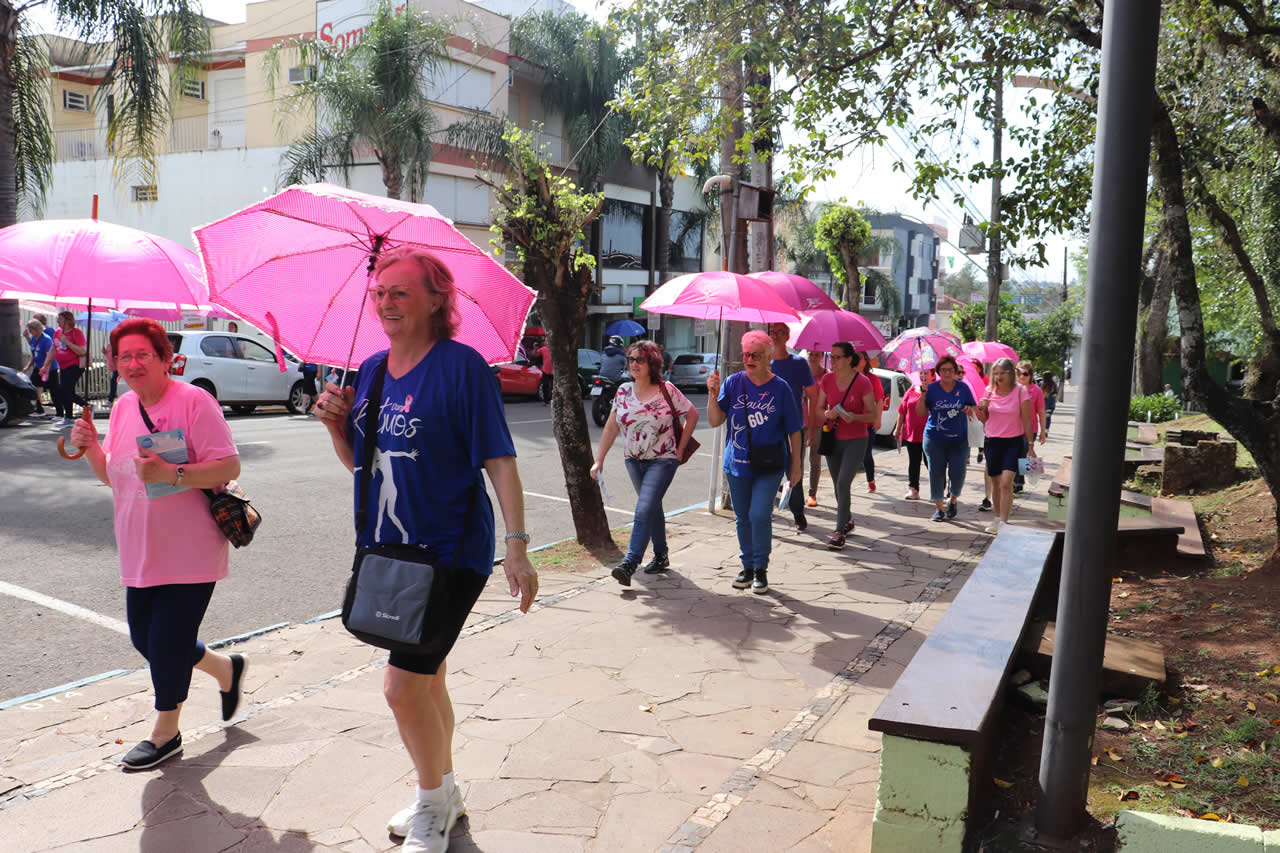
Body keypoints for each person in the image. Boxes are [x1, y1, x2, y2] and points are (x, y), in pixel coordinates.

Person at [313, 246, 537, 853]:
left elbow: (500, 459)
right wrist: (337, 425)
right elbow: (364, 466)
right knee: (428, 679)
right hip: (391, 552)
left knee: (400, 686)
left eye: (401, 292)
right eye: (380, 292)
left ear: (438, 300)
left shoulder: (463, 368)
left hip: (451, 551)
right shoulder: (371, 369)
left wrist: (517, 546)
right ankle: (444, 792)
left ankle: (432, 808)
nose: (386, 302)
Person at [66, 317, 247, 770]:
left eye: (143, 354)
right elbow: (115, 475)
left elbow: (229, 467)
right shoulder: (125, 407)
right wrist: (90, 448)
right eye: (123, 355)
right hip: (138, 545)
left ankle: (166, 733)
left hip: (190, 547)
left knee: (166, 642)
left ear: (166, 358)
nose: (132, 363)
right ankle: (225, 669)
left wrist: (173, 474)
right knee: (146, 638)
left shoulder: (193, 401)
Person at [590, 340, 698, 584]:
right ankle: (661, 555)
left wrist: (680, 449)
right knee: (652, 506)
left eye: (640, 359)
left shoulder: (667, 389)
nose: (634, 364)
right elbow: (610, 427)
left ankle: (630, 562)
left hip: (664, 459)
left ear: (653, 363)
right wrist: (600, 460)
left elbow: (692, 414)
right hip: (633, 460)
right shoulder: (623, 391)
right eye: (631, 359)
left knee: (644, 507)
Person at [706, 330, 803, 594]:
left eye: (756, 355)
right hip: (737, 464)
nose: (749, 359)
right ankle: (747, 567)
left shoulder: (780, 388)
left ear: (768, 357)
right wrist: (712, 394)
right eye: (746, 354)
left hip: (769, 464)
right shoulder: (733, 383)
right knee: (742, 518)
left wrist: (796, 466)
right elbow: (715, 421)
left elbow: (794, 430)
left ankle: (761, 569)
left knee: (759, 514)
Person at [815, 342, 878, 549]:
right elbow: (819, 408)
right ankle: (848, 520)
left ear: (849, 359)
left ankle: (839, 531)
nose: (832, 361)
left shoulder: (862, 382)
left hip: (856, 439)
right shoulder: (827, 379)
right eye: (830, 357)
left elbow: (872, 414)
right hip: (832, 438)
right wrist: (827, 414)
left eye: (836, 357)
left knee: (843, 483)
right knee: (837, 485)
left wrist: (854, 417)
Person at [977, 358, 1037, 535]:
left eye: (1001, 373)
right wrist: (982, 409)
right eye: (995, 373)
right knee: (996, 482)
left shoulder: (1021, 392)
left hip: (1014, 442)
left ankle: (1004, 521)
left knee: (1006, 482)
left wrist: (1031, 445)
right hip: (992, 441)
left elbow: (1027, 420)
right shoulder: (988, 392)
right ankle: (997, 518)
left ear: (1011, 374)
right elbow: (983, 420)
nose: (997, 376)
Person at [914, 355, 977, 522]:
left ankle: (953, 499)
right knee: (936, 473)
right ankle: (939, 509)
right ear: (938, 372)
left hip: (959, 439)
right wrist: (923, 395)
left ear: (956, 372)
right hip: (935, 439)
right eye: (943, 370)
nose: (947, 373)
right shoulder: (931, 388)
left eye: (950, 370)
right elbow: (920, 413)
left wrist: (969, 410)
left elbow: (973, 407)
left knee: (958, 474)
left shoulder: (963, 388)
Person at [766, 322, 816, 531]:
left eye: (780, 332)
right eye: (772, 332)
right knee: (766, 471)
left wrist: (811, 427)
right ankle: (764, 512)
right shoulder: (763, 362)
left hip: (792, 427)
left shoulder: (798, 363)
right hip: (766, 428)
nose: (775, 336)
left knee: (793, 469)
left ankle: (798, 512)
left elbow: (814, 395)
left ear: (787, 336)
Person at [41, 310, 88, 426]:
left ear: (67, 320)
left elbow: (82, 351)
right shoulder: (57, 332)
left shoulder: (76, 333)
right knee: (68, 391)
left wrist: (67, 342)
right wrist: (45, 365)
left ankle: (69, 416)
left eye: (60, 319)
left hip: (75, 365)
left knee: (64, 390)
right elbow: (53, 349)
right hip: (62, 366)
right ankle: (85, 407)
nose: (57, 321)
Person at [894, 367, 933, 501]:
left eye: (926, 373)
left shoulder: (935, 391)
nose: (923, 376)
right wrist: (898, 428)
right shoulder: (912, 389)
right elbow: (902, 410)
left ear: (932, 375)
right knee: (914, 462)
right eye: (921, 373)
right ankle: (913, 489)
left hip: (930, 434)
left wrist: (925, 395)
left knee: (930, 462)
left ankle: (938, 488)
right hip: (911, 433)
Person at [1013, 361, 1048, 494]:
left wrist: (1043, 432)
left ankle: (1019, 482)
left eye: (1025, 374)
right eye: (1019, 373)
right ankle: (1019, 481)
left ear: (1031, 375)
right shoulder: (1012, 389)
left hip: (1030, 429)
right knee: (1015, 454)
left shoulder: (1036, 391)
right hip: (1013, 427)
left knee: (1022, 454)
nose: (1022, 376)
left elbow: (1041, 412)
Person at [856, 352, 884, 492]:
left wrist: (878, 419)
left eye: (860, 358)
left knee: (866, 454)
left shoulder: (873, 379)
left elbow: (879, 400)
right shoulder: (847, 377)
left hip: (867, 424)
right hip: (851, 423)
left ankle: (870, 480)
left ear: (866, 361)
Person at [805, 350, 829, 507]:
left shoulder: (827, 375)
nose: (813, 357)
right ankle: (794, 492)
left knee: (815, 459)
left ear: (822, 356)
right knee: (796, 460)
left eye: (817, 354)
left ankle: (812, 494)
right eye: (811, 354)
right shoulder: (802, 372)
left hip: (819, 422)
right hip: (801, 421)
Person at [21, 319, 54, 418]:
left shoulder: (46, 339)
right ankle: (39, 409)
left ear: (36, 329)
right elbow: (34, 353)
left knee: (52, 390)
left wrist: (45, 369)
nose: (30, 331)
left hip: (48, 368)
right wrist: (27, 367)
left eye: (31, 329)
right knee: (34, 387)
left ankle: (54, 409)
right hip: (38, 367)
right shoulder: (35, 339)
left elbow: (49, 355)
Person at [534, 338, 553, 404]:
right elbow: (535, 355)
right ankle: (546, 400)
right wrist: (535, 348)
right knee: (545, 385)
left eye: (548, 340)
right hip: (545, 369)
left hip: (553, 370)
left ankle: (553, 399)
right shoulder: (543, 349)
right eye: (546, 341)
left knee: (554, 386)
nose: (546, 342)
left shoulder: (554, 349)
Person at [104, 341, 119, 406]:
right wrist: (104, 352)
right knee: (113, 382)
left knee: (113, 382)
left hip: (119, 367)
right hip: (114, 368)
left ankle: (110, 400)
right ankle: (111, 400)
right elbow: (108, 356)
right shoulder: (109, 345)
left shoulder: (118, 345)